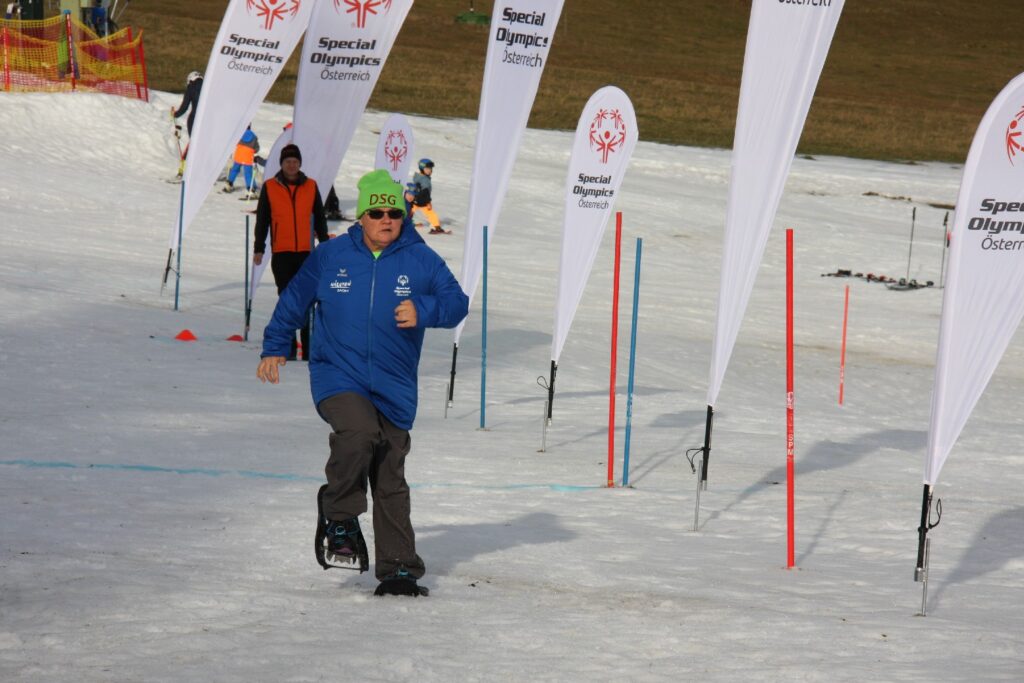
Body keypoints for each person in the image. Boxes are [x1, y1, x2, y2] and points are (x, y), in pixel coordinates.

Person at [256, 169, 469, 597]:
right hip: (338, 373)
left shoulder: (420, 258)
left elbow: (456, 302)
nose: (386, 219)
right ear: (363, 217)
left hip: (394, 384)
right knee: (358, 433)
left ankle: (399, 568)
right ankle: (339, 516)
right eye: (376, 212)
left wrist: (424, 310)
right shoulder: (332, 256)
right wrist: (275, 344)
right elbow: (295, 299)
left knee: (389, 472)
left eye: (394, 212)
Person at [253, 143, 330, 360]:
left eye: (295, 162)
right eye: (288, 162)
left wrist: (324, 244)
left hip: (306, 253)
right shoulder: (270, 187)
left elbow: (320, 218)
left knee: (306, 300)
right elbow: (263, 221)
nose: (292, 165)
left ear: (300, 164)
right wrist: (259, 248)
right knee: (287, 300)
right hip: (283, 253)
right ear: (282, 164)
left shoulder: (311, 186)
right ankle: (287, 349)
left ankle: (307, 350)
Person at [222, 125, 260, 198]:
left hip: (238, 156)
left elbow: (234, 143)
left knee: (234, 170)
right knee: (248, 173)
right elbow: (257, 148)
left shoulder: (239, 134)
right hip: (248, 158)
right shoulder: (254, 137)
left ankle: (229, 184)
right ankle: (251, 189)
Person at [410, 158, 446, 234]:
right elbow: (425, 192)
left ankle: (406, 223)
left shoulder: (417, 176)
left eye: (430, 168)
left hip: (415, 198)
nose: (430, 170)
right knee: (430, 213)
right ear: (422, 169)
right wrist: (428, 202)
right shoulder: (425, 180)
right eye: (427, 169)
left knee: (409, 211)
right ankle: (437, 227)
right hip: (422, 200)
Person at [172, 71, 203, 138]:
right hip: (208, 118)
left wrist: (175, 114)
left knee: (192, 119)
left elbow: (184, 107)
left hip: (195, 118)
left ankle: (193, 144)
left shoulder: (191, 88)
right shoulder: (208, 86)